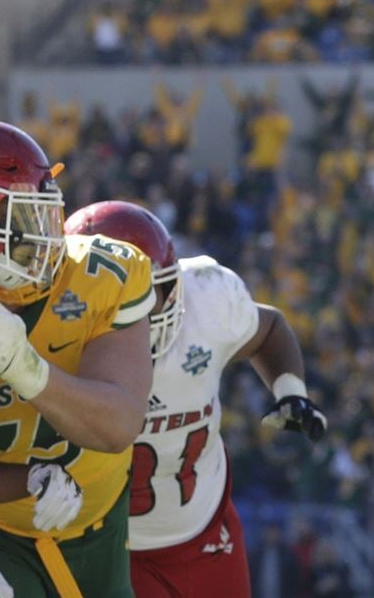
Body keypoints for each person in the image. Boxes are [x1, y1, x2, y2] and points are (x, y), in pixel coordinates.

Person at [64, 200, 327, 597]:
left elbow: (269, 327)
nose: (144, 308)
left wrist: (290, 391)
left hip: (205, 529)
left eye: (152, 290)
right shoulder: (52, 337)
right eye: (126, 295)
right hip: (104, 543)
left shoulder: (206, 299)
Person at [0, 118, 156, 596]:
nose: (45, 239)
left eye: (45, 216)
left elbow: (118, 424)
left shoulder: (101, 272)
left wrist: (21, 363)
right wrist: (26, 479)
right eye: (23, 221)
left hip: (100, 530)